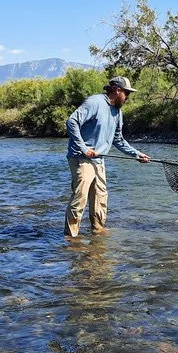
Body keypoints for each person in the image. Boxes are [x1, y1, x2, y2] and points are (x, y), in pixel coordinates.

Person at [64, 76, 150, 237]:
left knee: (100, 198)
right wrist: (83, 147)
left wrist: (136, 154)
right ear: (117, 91)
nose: (128, 97)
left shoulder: (117, 112)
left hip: (99, 161)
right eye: (127, 93)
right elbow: (72, 122)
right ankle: (71, 238)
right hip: (81, 159)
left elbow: (118, 139)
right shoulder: (94, 102)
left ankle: (98, 231)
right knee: (80, 199)